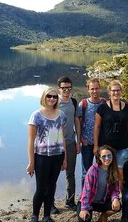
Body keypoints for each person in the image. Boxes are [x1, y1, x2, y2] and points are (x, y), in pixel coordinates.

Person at [26, 87, 67, 222]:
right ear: (44, 97)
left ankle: (47, 216)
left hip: (57, 156)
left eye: (55, 97)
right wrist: (31, 162)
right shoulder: (36, 115)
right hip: (41, 157)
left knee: (51, 186)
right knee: (41, 188)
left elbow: (62, 138)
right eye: (49, 96)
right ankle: (35, 216)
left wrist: (65, 158)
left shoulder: (61, 115)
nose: (52, 99)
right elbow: (31, 141)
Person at [94, 80, 128, 187]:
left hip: (123, 146)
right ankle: (105, 197)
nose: (116, 93)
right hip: (106, 147)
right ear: (109, 92)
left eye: (118, 90)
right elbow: (97, 127)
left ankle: (119, 196)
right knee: (106, 172)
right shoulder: (102, 108)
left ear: (121, 91)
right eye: (113, 90)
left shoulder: (127, 108)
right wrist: (96, 146)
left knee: (120, 173)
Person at [54, 76, 81, 212]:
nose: (67, 90)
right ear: (59, 88)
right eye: (64, 88)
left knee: (70, 174)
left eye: (69, 88)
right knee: (52, 174)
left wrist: (78, 141)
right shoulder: (53, 102)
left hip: (70, 142)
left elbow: (76, 120)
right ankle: (50, 204)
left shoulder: (74, 102)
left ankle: (70, 201)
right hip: (55, 145)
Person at [77, 145, 121, 222]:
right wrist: (84, 208)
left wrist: (115, 199)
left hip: (102, 201)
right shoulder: (93, 171)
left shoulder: (114, 170)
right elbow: (86, 191)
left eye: (109, 156)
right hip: (89, 201)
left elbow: (115, 189)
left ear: (112, 156)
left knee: (118, 206)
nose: (107, 158)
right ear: (99, 158)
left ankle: (104, 216)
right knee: (84, 220)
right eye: (104, 156)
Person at [78, 78, 105, 188]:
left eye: (97, 88)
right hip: (87, 143)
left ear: (100, 89)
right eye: (92, 89)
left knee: (102, 172)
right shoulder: (83, 104)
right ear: (88, 90)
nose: (95, 91)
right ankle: (84, 199)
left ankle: (99, 198)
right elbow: (78, 123)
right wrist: (80, 139)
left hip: (101, 144)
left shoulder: (104, 103)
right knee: (86, 173)